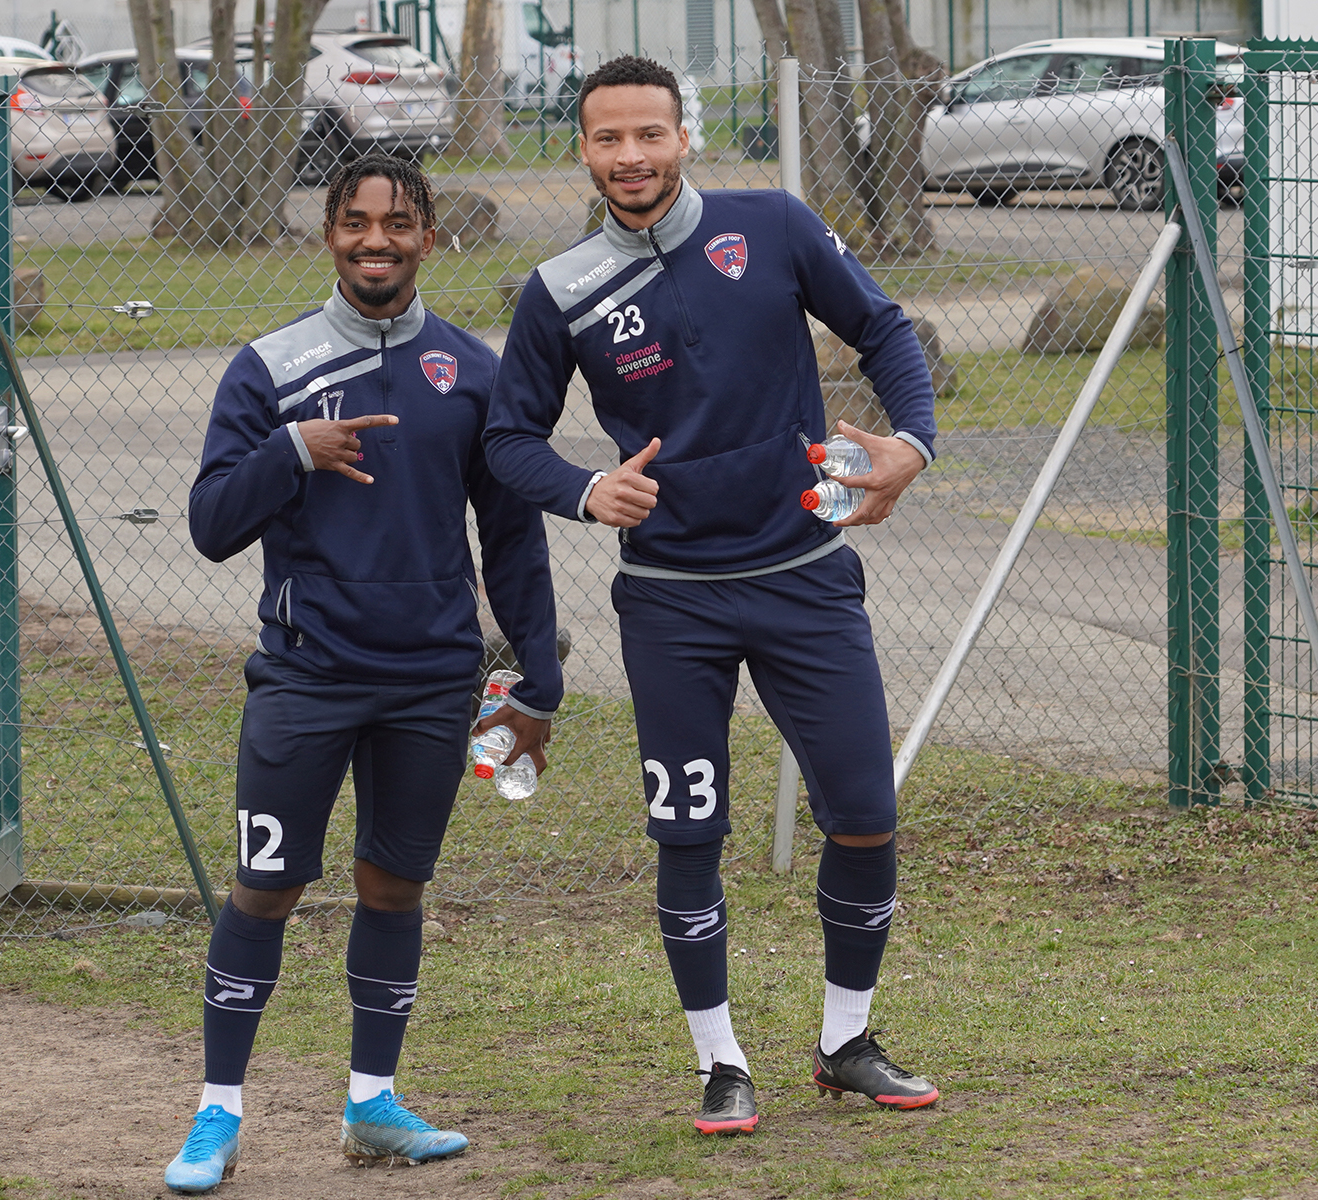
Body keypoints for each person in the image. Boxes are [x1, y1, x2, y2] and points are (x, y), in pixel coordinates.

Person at [484, 56, 941, 1133]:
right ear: (582, 150)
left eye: (649, 134)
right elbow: (508, 437)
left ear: (682, 134)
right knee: (687, 832)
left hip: (805, 580)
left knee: (866, 816)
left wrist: (911, 446)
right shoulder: (559, 292)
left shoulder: (773, 226)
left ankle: (845, 1041)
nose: (630, 157)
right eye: (608, 140)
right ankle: (720, 1062)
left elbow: (883, 328)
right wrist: (586, 489)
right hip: (669, 603)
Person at [169, 153, 561, 1192]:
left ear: (429, 236)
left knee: (395, 887)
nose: (374, 240)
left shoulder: (473, 374)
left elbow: (513, 543)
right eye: (354, 222)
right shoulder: (269, 367)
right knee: (266, 887)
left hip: (432, 681)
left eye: (396, 223)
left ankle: (372, 1105)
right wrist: (291, 450)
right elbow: (210, 526)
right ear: (327, 234)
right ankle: (215, 1117)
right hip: (306, 677)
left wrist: (539, 682)